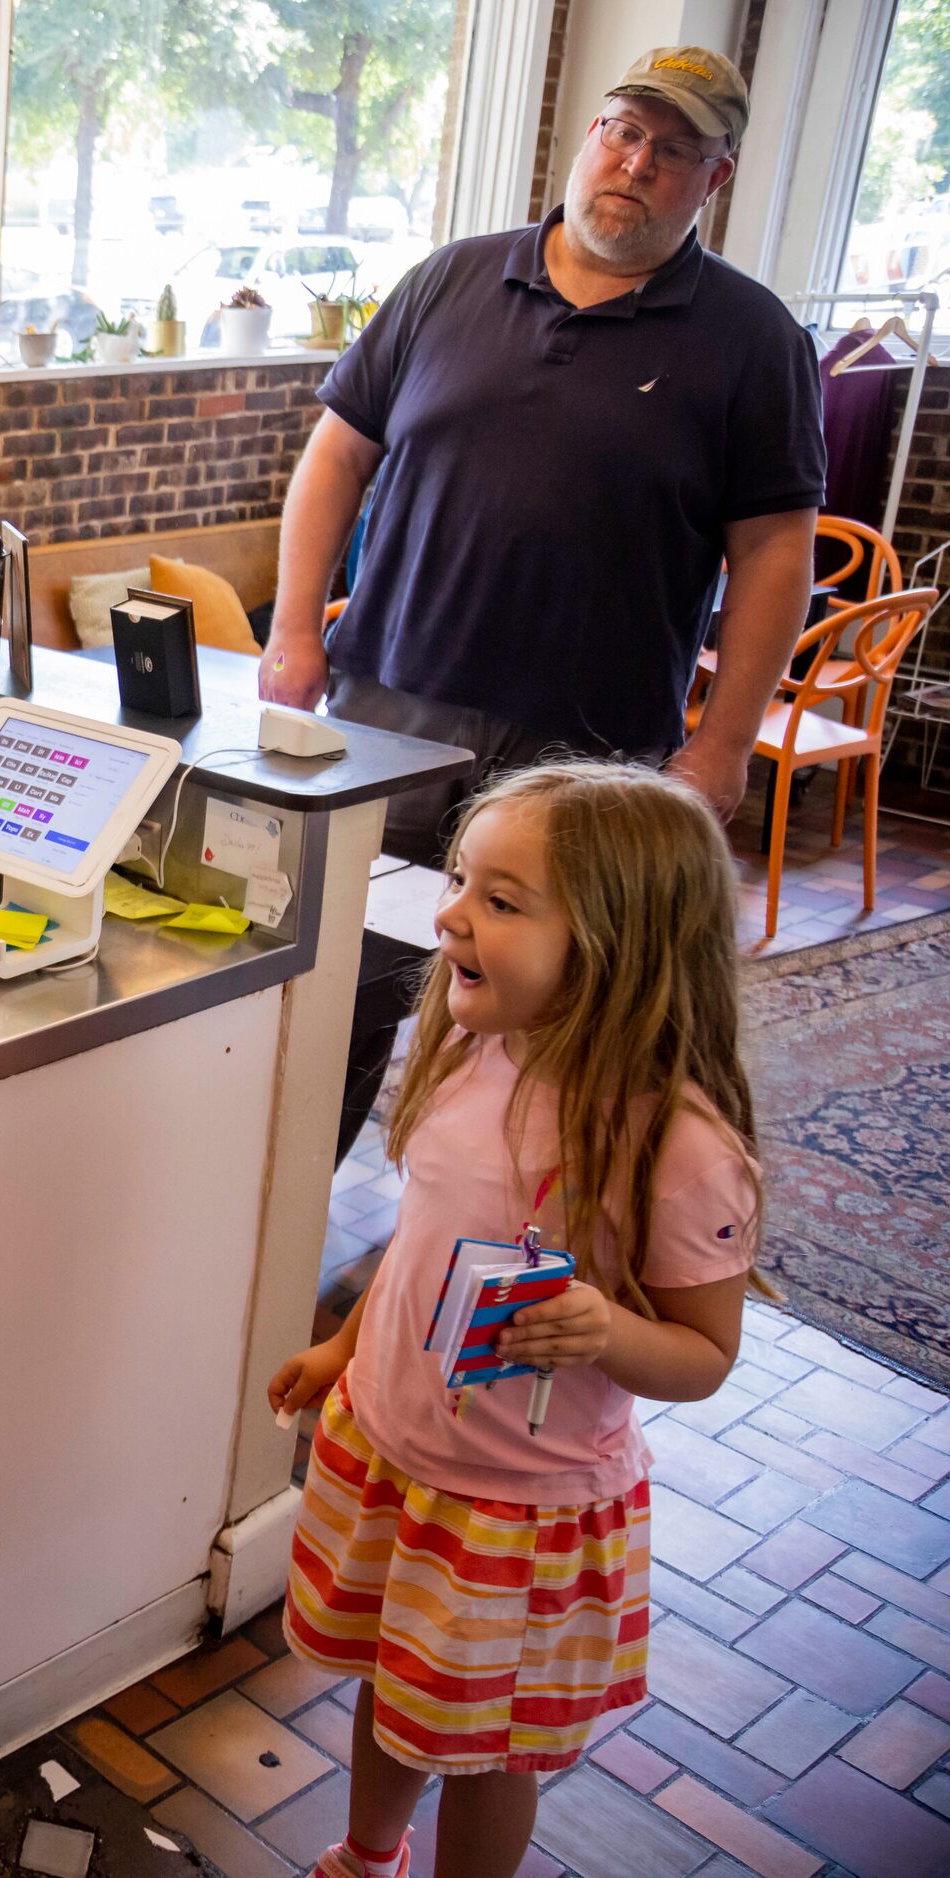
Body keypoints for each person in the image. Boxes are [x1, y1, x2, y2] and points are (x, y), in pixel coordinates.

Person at [257, 46, 825, 1161]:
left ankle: (491, 1262)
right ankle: (282, 1239)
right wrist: (289, 628)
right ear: (586, 138)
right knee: (337, 988)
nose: (633, 164)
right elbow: (333, 458)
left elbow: (772, 552)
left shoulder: (754, 341)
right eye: (619, 131)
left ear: (712, 180)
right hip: (390, 714)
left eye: (673, 151)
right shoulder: (449, 280)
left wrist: (721, 744)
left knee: (550, 1030)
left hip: (589, 752)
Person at [265, 763, 765, 1878]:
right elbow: (419, 1243)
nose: (448, 915)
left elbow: (704, 1356)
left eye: (499, 900)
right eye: (458, 881)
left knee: (487, 1751)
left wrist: (604, 1333)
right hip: (393, 1452)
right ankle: (366, 1852)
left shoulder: (680, 1157)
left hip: (513, 1516)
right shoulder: (470, 1056)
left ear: (617, 944)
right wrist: (342, 1348)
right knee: (395, 1693)